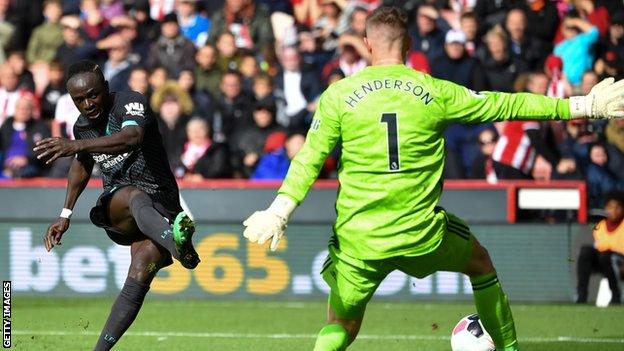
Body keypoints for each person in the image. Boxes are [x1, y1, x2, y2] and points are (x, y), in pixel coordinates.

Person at [242, 6, 624, 351]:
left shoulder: (338, 95)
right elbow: (505, 103)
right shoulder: (433, 91)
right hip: (421, 233)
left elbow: (309, 158)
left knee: (341, 325)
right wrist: (581, 105)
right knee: (480, 263)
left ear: (365, 45)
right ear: (408, 44)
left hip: (359, 239)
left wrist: (279, 210)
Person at [33, 60, 200, 351]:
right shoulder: (82, 128)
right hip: (119, 208)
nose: (88, 104)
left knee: (139, 275)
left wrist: (75, 146)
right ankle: (179, 246)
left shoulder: (130, 102)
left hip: (161, 208)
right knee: (133, 194)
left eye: (93, 95)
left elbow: (131, 137)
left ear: (106, 88)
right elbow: (82, 166)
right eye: (79, 100)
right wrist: (65, 213)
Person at [576, 190, 624, 305]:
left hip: (620, 262)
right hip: (604, 262)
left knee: (606, 256)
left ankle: (616, 296)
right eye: (610, 207)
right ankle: (581, 296)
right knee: (585, 251)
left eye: (617, 207)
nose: (613, 211)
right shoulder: (600, 226)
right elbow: (598, 246)